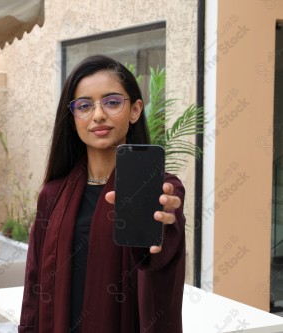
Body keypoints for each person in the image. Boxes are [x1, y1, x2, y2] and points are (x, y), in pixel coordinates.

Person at [18, 55, 186, 333]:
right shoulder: (53, 194)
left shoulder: (160, 189)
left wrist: (165, 229)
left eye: (112, 102)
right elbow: (34, 280)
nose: (98, 114)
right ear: (73, 119)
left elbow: (161, 256)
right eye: (84, 105)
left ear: (134, 110)